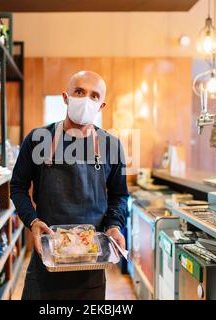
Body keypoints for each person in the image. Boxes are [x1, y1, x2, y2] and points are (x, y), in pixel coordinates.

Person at [10, 70, 129, 300]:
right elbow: (18, 187)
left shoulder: (111, 146)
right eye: (80, 92)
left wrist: (114, 224)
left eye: (94, 96)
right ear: (66, 97)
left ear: (101, 106)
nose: (86, 99)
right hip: (46, 262)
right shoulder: (37, 139)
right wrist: (32, 221)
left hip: (91, 267)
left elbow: (119, 195)